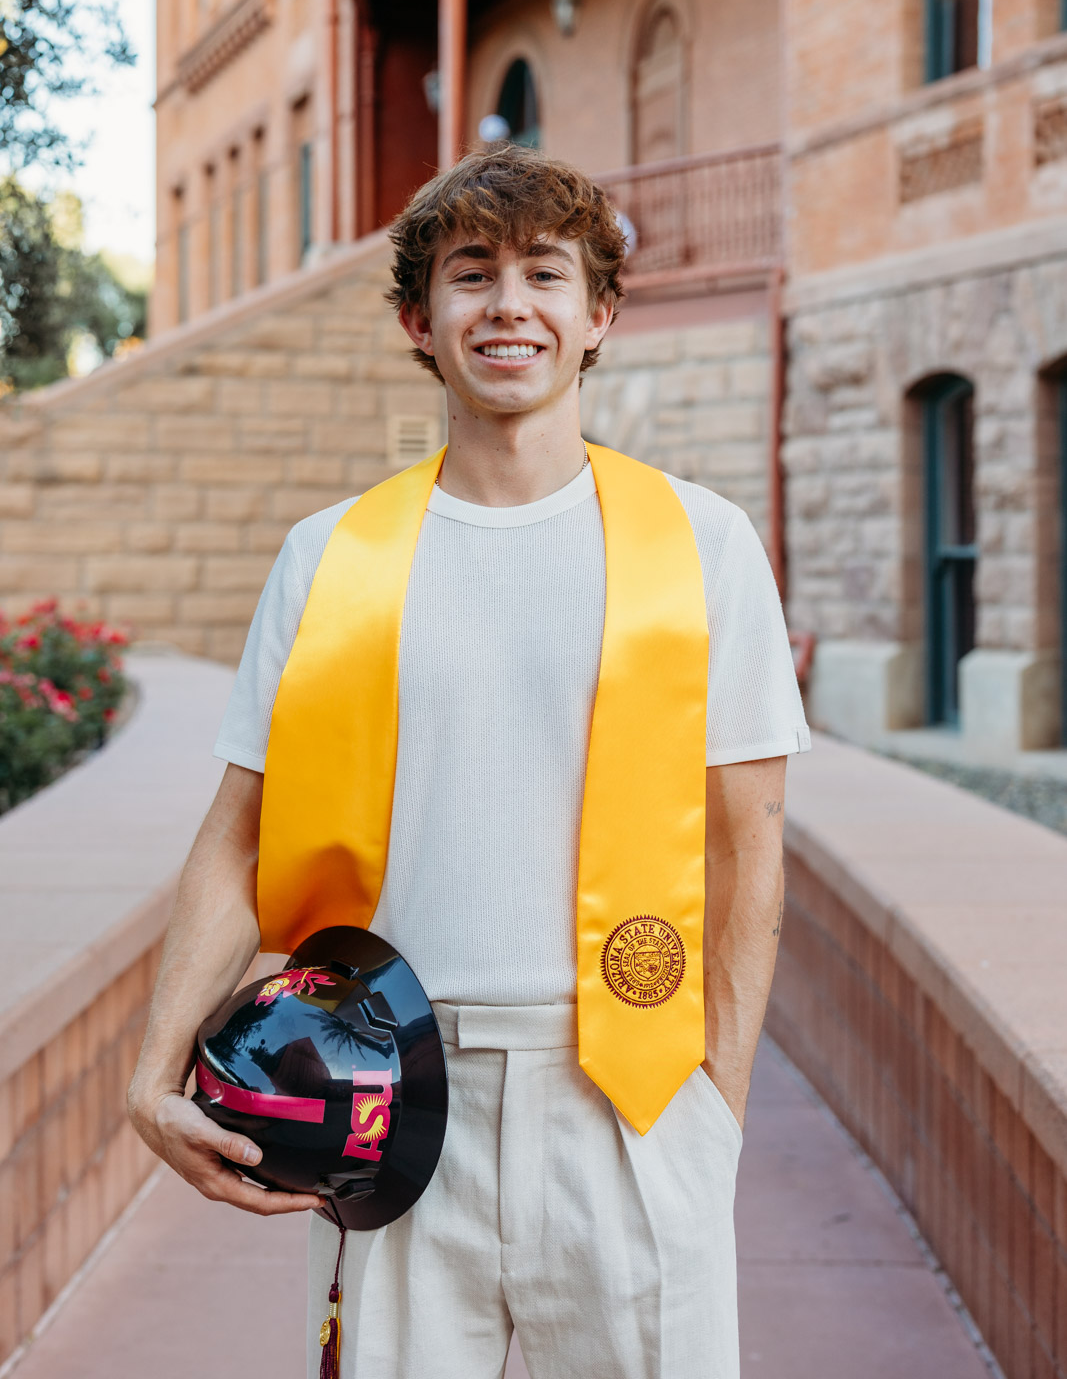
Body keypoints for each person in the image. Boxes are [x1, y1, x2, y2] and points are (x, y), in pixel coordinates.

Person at [128, 144, 810, 1379]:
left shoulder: (701, 544)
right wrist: (149, 1073)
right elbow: (241, 839)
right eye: (470, 273)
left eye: (545, 273)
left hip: (628, 1090)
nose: (508, 305)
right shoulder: (331, 557)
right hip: (384, 1088)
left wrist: (715, 1111)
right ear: (417, 318)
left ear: (597, 315)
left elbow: (745, 845)